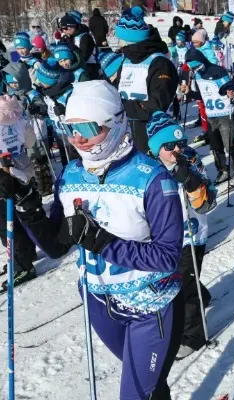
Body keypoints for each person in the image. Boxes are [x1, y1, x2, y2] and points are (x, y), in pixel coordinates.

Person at [0, 80, 184, 399]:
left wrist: (103, 242)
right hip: (99, 303)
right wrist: (26, 201)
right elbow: (56, 246)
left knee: (135, 393)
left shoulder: (152, 178)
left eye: (87, 127)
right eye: (72, 128)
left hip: (150, 305)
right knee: (150, 389)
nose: (78, 139)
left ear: (115, 122)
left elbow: (167, 256)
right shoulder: (71, 176)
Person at [146, 111, 216, 359]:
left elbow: (207, 203)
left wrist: (191, 181)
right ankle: (201, 294)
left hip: (191, 235)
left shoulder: (191, 159)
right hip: (163, 237)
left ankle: (192, 336)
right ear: (156, 148)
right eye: (169, 145)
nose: (177, 149)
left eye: (180, 142)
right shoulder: (147, 168)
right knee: (173, 279)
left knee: (184, 285)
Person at [115, 6, 179, 154]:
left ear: (129, 39)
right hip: (126, 133)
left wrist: (121, 108)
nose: (118, 41)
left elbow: (157, 103)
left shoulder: (160, 63)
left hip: (152, 134)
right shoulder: (126, 59)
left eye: (120, 38)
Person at [182, 48, 234, 186]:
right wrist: (189, 93)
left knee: (230, 145)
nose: (196, 70)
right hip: (211, 116)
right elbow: (203, 95)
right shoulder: (198, 76)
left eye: (197, 66)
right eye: (193, 68)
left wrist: (231, 93)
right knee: (215, 147)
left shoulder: (218, 71)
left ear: (202, 60)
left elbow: (230, 87)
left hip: (225, 114)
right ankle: (223, 170)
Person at [0, 94, 38, 289]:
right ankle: (26, 253)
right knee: (18, 214)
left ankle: (22, 264)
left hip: (4, 173)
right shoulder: (17, 113)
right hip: (22, 168)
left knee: (5, 221)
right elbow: (30, 141)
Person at [59, 12, 99, 78]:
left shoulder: (85, 37)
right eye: (62, 29)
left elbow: (83, 58)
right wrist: (62, 42)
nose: (64, 31)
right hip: (75, 69)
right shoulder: (71, 37)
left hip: (89, 70)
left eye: (65, 28)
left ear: (73, 25)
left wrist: (70, 43)